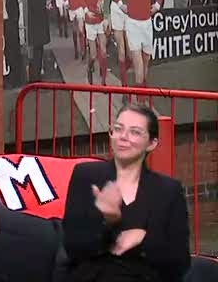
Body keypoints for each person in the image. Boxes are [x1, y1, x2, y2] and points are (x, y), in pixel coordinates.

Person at [61, 102, 190, 281]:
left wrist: (143, 239)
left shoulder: (169, 191)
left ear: (152, 143)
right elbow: (74, 248)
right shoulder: (86, 176)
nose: (123, 137)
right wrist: (110, 223)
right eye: (118, 129)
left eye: (135, 132)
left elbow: (179, 264)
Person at [22, 0, 51, 82]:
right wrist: (45, 5)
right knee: (37, 52)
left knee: (37, 51)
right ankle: (36, 77)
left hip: (35, 20)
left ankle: (36, 75)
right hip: (37, 21)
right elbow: (37, 0)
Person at [81, 0, 108, 85]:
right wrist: (86, 11)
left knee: (103, 51)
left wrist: (104, 2)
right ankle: (89, 67)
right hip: (90, 20)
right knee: (93, 55)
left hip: (101, 18)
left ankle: (103, 81)